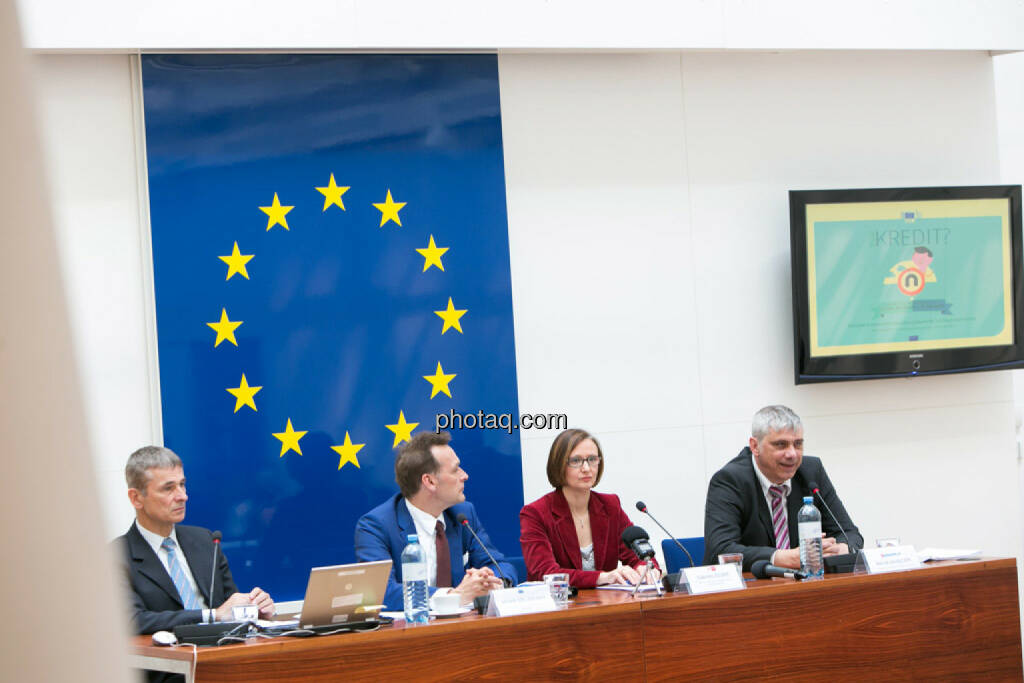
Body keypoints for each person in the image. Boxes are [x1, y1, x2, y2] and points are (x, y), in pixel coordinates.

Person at [116, 446, 274, 635]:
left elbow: (230, 605)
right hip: (166, 661)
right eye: (168, 488)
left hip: (224, 653)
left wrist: (254, 608)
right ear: (136, 498)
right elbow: (133, 621)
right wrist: (211, 615)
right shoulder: (115, 556)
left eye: (182, 484)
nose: (183, 496)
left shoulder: (205, 540)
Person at [354, 431, 517, 610]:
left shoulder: (463, 514)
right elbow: (382, 592)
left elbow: (501, 566)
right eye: (456, 470)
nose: (465, 475)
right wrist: (454, 596)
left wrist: (491, 582)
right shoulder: (376, 526)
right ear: (429, 481)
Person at [703, 405, 863, 571]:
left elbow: (849, 533)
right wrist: (780, 557)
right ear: (755, 446)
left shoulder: (811, 471)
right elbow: (720, 550)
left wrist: (843, 548)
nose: (792, 454)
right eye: (781, 444)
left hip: (805, 584)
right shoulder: (730, 480)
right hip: (751, 588)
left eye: (798, 444)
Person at [520, 428, 659, 587]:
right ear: (558, 464)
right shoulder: (535, 514)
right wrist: (603, 577)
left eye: (592, 459)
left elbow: (639, 556)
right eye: (576, 461)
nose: (586, 468)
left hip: (605, 605)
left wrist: (647, 568)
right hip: (557, 606)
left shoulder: (610, 505)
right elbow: (544, 572)